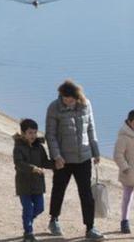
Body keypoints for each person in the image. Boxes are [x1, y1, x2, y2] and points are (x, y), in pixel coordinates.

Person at [45, 80, 104, 240]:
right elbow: (50, 135)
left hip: (84, 157)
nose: (67, 101)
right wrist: (56, 156)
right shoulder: (54, 107)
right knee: (59, 190)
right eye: (65, 98)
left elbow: (91, 128)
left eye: (70, 99)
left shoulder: (86, 105)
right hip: (63, 159)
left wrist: (96, 152)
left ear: (77, 97)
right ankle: (54, 219)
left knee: (86, 194)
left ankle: (90, 228)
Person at [14, 118, 54, 242]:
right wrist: (33, 168)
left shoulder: (39, 147)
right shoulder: (18, 148)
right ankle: (28, 232)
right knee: (28, 208)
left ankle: (28, 221)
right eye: (30, 133)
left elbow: (44, 162)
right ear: (23, 133)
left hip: (37, 183)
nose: (33, 135)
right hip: (24, 184)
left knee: (40, 208)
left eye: (35, 132)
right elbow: (19, 163)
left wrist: (55, 164)